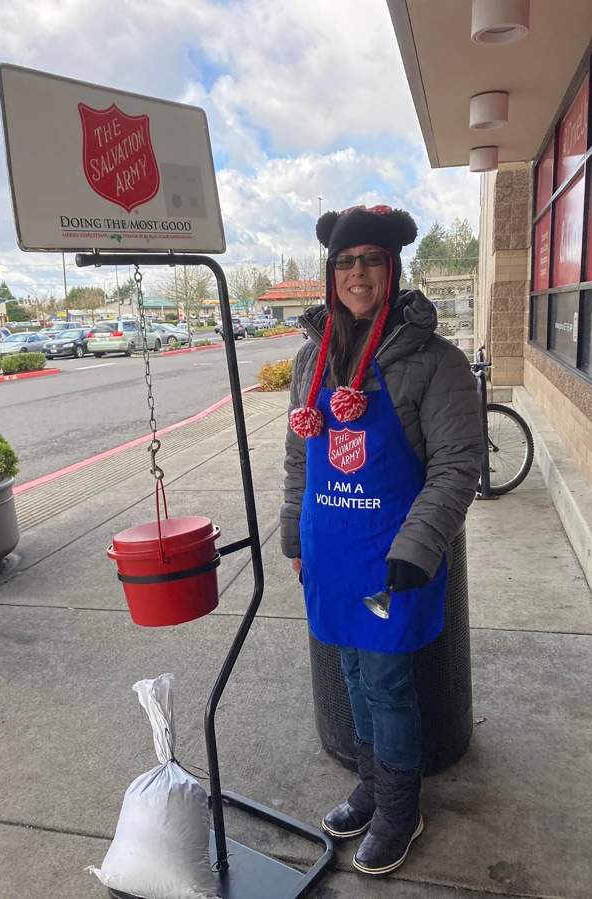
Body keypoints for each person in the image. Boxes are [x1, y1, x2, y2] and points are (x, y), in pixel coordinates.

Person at [281, 205, 483, 878]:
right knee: (350, 673)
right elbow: (297, 460)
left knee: (389, 683)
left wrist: (418, 546)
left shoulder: (433, 360)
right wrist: (293, 535)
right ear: (329, 274)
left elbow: (459, 463)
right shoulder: (312, 356)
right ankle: (371, 784)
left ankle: (400, 805)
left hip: (393, 551)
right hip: (332, 551)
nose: (357, 272)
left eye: (370, 259)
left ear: (391, 269)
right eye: (345, 261)